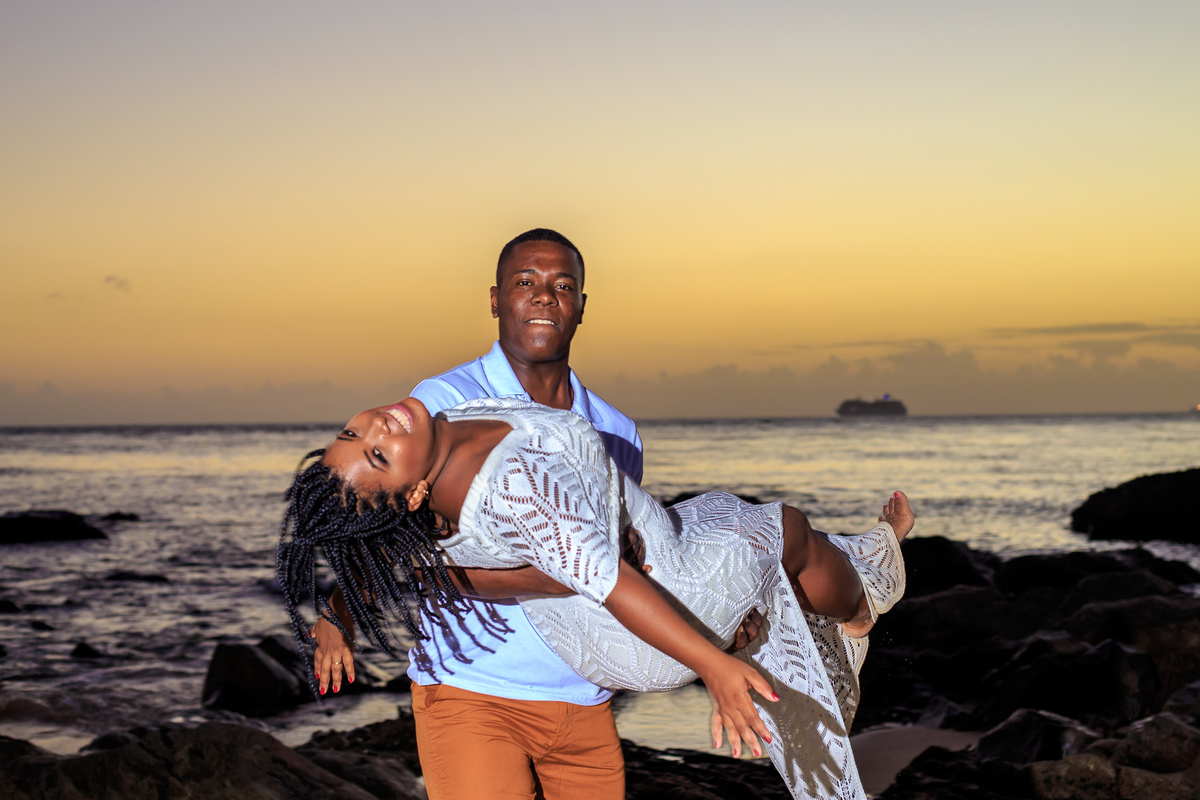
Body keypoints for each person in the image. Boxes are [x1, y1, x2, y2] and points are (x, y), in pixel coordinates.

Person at [277, 396, 911, 800]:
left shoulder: (438, 443)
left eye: (351, 432)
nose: (376, 427)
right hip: (652, 598)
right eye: (379, 456)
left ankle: (824, 595)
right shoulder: (513, 489)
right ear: (413, 494)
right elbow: (613, 583)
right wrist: (713, 666)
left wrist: (337, 618)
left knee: (731, 526)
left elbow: (383, 554)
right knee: (786, 530)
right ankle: (861, 609)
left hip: (595, 614)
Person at [309, 228, 645, 800]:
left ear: (581, 307)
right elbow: (392, 537)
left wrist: (715, 630)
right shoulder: (443, 402)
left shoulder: (618, 432)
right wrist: (339, 610)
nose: (544, 296)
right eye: (525, 282)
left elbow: (631, 564)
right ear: (495, 299)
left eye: (562, 286)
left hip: (584, 695)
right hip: (470, 689)